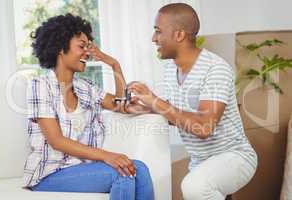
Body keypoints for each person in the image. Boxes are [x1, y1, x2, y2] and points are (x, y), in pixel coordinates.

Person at [126, 3, 257, 200]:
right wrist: (145, 107)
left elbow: (204, 127)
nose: (154, 39)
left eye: (158, 32)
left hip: (235, 157)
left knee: (195, 187)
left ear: (179, 35)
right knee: (195, 186)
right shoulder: (171, 69)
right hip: (201, 163)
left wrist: (155, 101)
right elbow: (179, 116)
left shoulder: (216, 69)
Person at [23, 13, 154, 200]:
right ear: (60, 47)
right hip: (49, 173)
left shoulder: (86, 87)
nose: (87, 53)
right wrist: (107, 156)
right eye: (81, 46)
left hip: (81, 169)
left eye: (88, 46)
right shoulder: (40, 85)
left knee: (139, 168)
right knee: (123, 171)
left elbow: (121, 105)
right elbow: (56, 140)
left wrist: (114, 64)